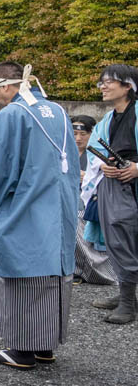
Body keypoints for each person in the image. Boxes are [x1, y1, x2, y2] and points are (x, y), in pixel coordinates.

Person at [0, 63, 78, 369]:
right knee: (52, 272)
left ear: (5, 86)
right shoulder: (58, 111)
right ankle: (45, 345)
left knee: (22, 270)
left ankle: (22, 349)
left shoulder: (11, 116)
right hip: (58, 207)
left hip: (24, 207)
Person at [82, 64, 138, 324]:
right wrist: (103, 164)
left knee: (128, 239)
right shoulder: (109, 118)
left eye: (109, 82)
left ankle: (128, 302)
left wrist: (136, 168)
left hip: (132, 184)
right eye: (101, 82)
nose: (103, 86)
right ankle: (125, 294)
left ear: (128, 86)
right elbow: (96, 150)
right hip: (112, 184)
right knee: (115, 239)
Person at [71, 114, 116, 285]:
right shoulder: (63, 152)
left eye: (83, 134)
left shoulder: (97, 153)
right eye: (74, 133)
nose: (78, 138)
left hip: (92, 202)